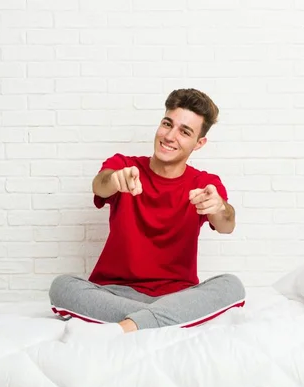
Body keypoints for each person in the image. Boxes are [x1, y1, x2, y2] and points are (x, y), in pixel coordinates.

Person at [48, 88, 246, 336]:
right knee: (62, 287)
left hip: (178, 295)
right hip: (114, 293)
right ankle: (162, 319)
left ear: (199, 144)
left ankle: (128, 326)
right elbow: (100, 184)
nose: (170, 136)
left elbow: (227, 224)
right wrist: (115, 181)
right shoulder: (125, 166)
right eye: (167, 124)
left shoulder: (205, 184)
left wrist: (219, 207)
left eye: (184, 132)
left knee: (232, 285)